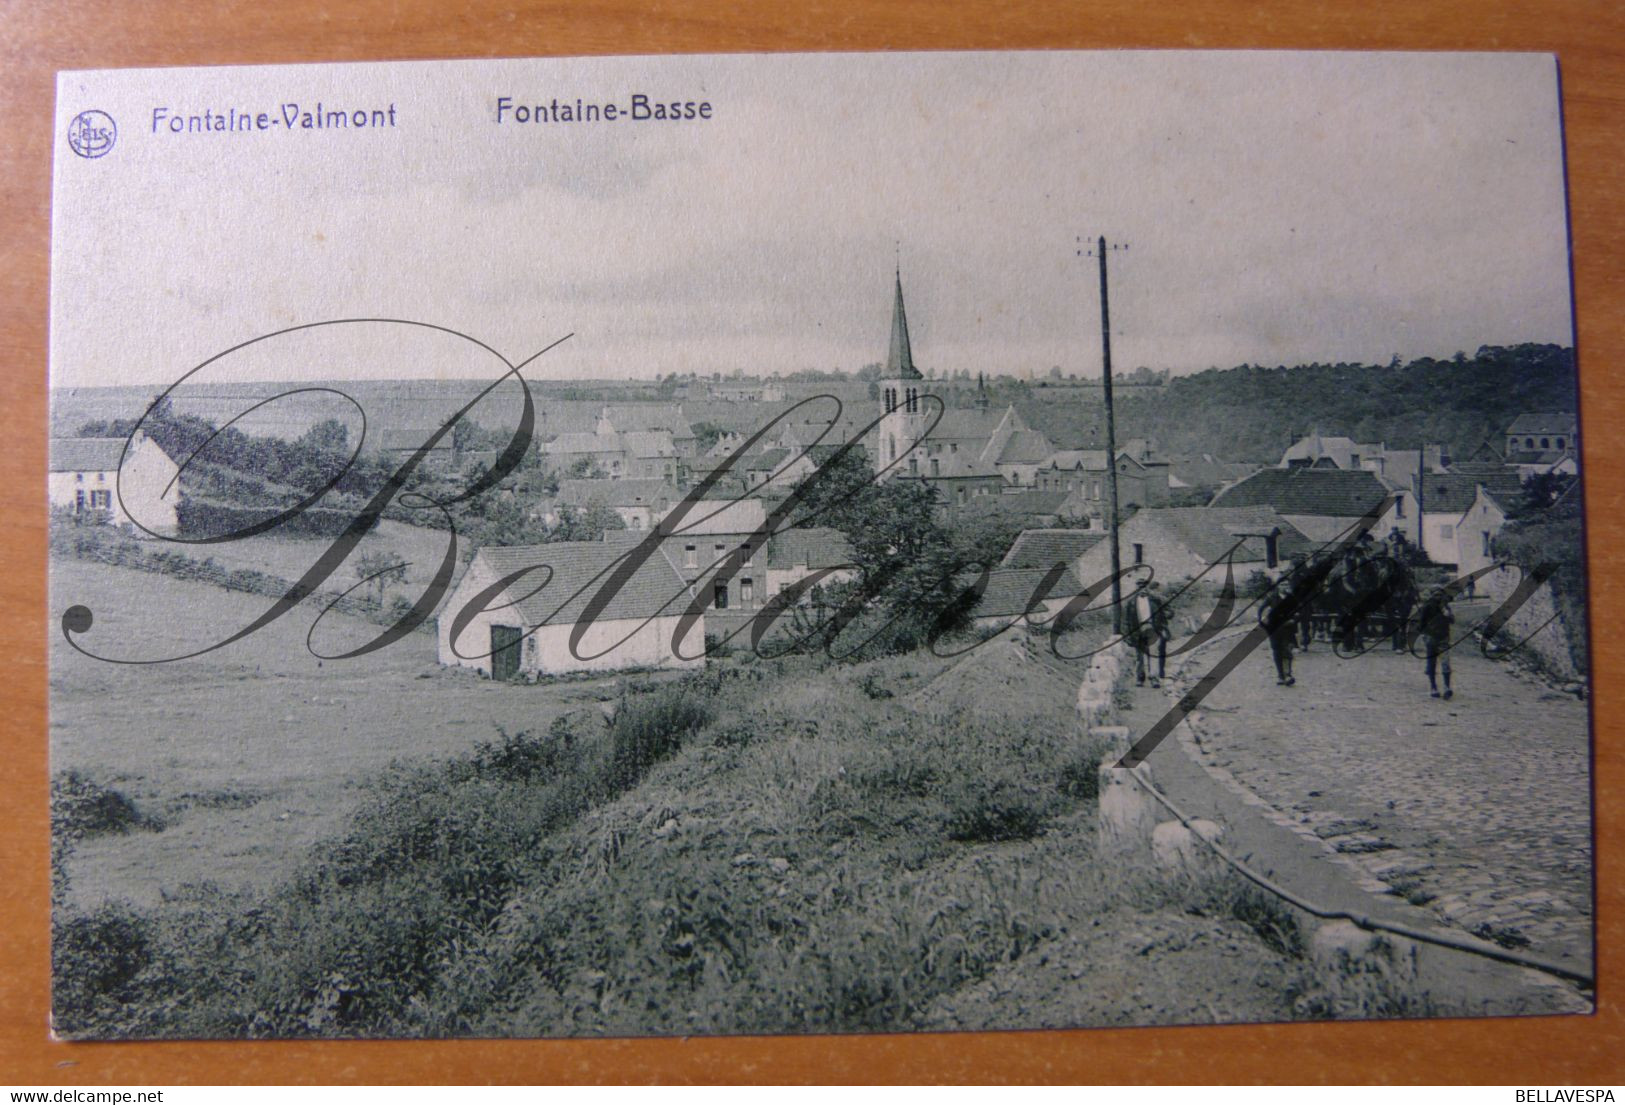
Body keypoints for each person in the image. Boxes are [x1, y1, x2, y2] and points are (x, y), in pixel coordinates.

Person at [1127, 579, 1170, 688]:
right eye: (1139, 586)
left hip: (1152, 628)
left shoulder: (1155, 600)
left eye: (1143, 586)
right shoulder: (1131, 602)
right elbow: (1126, 620)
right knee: (1139, 656)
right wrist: (1127, 635)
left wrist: (1163, 628)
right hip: (1138, 630)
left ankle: (1154, 678)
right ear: (1136, 588)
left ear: (1147, 587)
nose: (1141, 588)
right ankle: (1140, 678)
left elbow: (1162, 616)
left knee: (1153, 653)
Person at [1259, 576, 1300, 687]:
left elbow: (1298, 612)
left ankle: (1288, 675)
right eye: (1282, 584)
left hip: (1288, 628)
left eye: (1286, 584)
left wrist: (1294, 620)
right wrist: (1264, 623)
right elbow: (1261, 611)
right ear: (1277, 586)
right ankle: (1280, 676)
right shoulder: (1271, 598)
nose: (1284, 587)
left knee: (1287, 649)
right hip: (1275, 630)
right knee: (1277, 651)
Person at [1416, 588, 1455, 699]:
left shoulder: (1446, 607)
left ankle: (1447, 687)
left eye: (1440, 595)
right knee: (1431, 663)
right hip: (1431, 638)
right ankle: (1433, 687)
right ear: (1432, 595)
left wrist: (1448, 615)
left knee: (1445, 662)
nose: (1438, 597)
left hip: (1443, 638)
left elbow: (1452, 620)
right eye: (1436, 595)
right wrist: (1424, 635)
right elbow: (1421, 623)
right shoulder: (1427, 607)